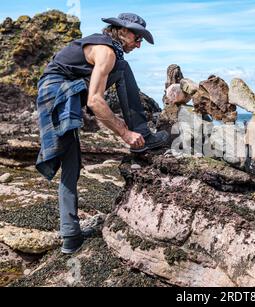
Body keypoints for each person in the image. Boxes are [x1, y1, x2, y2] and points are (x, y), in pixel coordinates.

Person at [35, 13, 169, 254]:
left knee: (71, 164)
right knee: (70, 160)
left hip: (61, 90)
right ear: (122, 31)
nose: (138, 44)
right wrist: (126, 134)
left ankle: (70, 237)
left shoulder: (107, 50)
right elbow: (95, 101)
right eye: (137, 38)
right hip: (57, 94)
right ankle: (143, 135)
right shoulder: (106, 51)